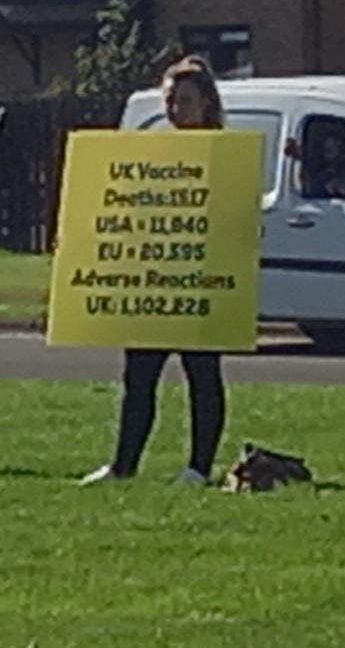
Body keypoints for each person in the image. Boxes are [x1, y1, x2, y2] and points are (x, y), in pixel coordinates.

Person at [82, 57, 237, 486]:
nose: (175, 110)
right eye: (169, 100)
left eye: (183, 100)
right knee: (139, 375)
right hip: (155, 281)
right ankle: (123, 467)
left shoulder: (227, 155)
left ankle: (198, 469)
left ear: (206, 103)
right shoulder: (153, 152)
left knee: (202, 375)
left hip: (201, 284)